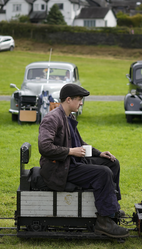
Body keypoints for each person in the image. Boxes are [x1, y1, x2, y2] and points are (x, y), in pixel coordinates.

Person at [37, 84, 127, 238]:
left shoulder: (68, 116)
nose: (81, 103)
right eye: (79, 100)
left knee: (112, 163)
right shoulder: (52, 118)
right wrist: (71, 151)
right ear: (68, 99)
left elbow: (79, 143)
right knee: (103, 173)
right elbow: (44, 147)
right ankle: (103, 222)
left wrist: (100, 154)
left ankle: (111, 209)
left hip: (71, 164)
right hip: (59, 169)